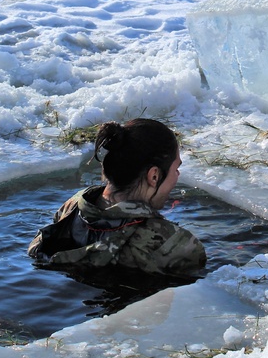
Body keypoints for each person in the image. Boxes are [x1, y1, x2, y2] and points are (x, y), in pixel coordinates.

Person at [28, 118, 206, 277]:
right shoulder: (174, 244)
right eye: (176, 168)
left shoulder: (72, 206)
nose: (177, 175)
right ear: (154, 176)